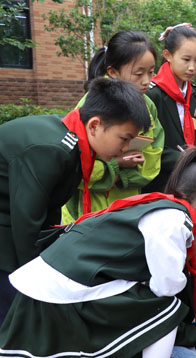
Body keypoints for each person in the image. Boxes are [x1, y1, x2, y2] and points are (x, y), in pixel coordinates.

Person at [0, 148, 196, 358]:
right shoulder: (175, 221)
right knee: (165, 310)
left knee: (102, 352)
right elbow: (166, 288)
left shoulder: (160, 207)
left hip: (54, 284)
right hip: (65, 291)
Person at [0, 77, 151, 358]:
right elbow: (28, 224)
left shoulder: (71, 145)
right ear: (95, 125)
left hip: (13, 224)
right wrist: (40, 279)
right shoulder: (52, 149)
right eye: (124, 139)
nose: (126, 149)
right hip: (6, 230)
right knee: (15, 308)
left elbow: (47, 212)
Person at [62, 31, 165, 223]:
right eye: (138, 73)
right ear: (113, 72)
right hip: (87, 211)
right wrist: (115, 168)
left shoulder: (148, 105)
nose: (146, 80)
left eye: (151, 72)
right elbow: (73, 166)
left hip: (127, 204)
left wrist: (124, 177)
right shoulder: (90, 106)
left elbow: (153, 156)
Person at [145, 23, 196, 192]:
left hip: (192, 180)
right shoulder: (153, 95)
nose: (192, 67)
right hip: (160, 182)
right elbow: (148, 144)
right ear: (168, 55)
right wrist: (183, 158)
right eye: (186, 59)